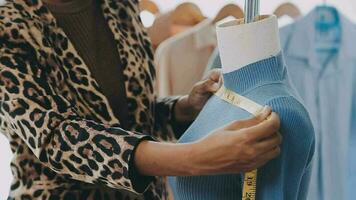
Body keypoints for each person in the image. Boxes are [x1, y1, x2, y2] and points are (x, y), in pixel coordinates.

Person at [0, 0, 282, 199]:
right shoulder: (7, 26)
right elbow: (57, 137)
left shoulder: (119, 6)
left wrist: (183, 108)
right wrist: (195, 158)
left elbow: (132, 115)